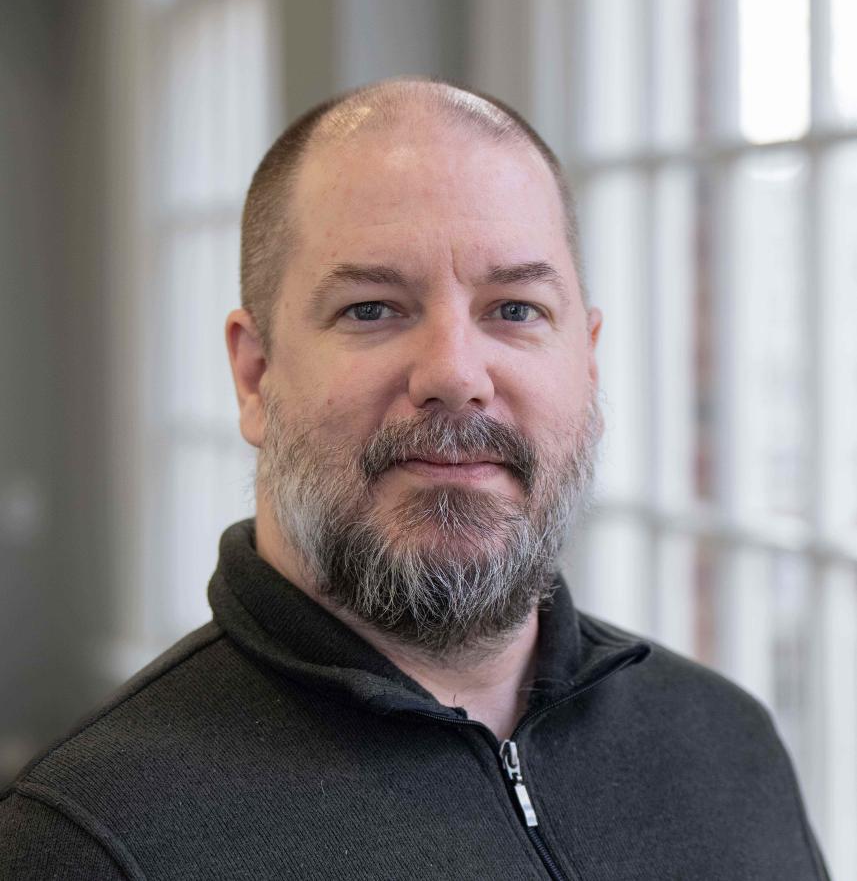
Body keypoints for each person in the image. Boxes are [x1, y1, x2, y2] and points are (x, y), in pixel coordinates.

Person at [0, 78, 829, 880]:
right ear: (255, 377)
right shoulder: (87, 841)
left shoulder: (724, 747)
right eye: (371, 308)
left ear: (587, 363)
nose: (454, 374)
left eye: (514, 309)